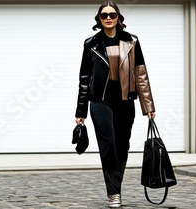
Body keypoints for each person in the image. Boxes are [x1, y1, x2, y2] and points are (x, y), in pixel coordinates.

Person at [74, 1, 156, 208]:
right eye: (104, 15)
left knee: (121, 147)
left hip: (125, 99)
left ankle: (116, 188)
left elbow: (141, 74)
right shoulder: (91, 44)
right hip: (100, 100)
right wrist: (80, 110)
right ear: (99, 19)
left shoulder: (132, 41)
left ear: (119, 18)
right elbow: (85, 78)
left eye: (112, 14)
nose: (108, 18)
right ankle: (114, 193)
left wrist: (148, 106)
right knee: (108, 145)